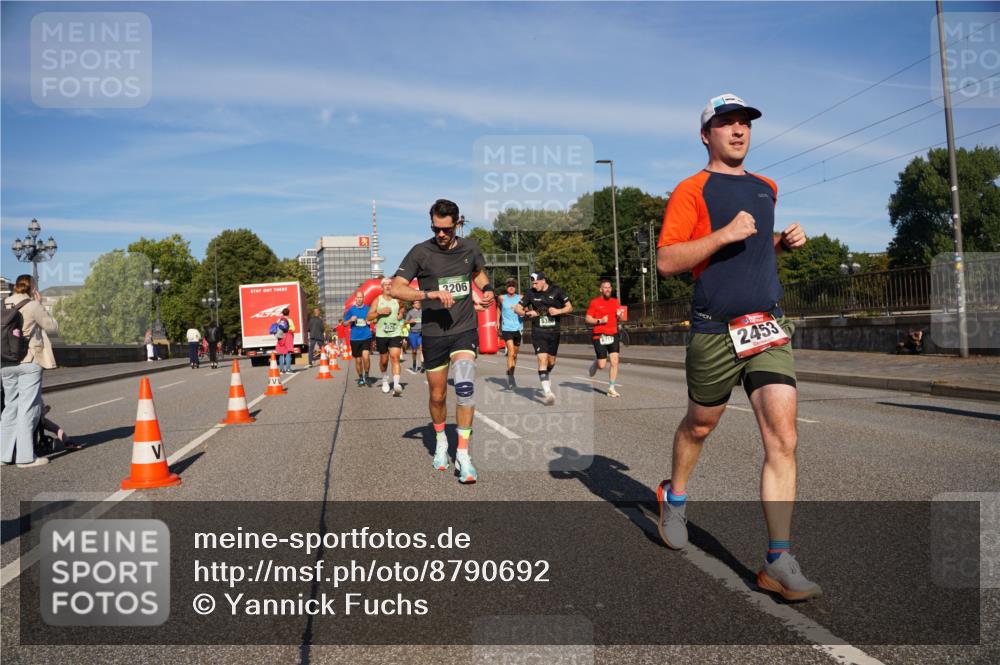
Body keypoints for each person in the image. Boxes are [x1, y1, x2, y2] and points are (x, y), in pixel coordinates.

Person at [655, 93, 815, 601]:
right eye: (726, 124)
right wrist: (723, 233)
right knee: (701, 424)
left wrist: (778, 244)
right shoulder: (691, 189)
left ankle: (778, 560)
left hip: (765, 327)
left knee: (782, 439)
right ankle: (674, 496)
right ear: (707, 135)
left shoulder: (767, 188)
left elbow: (753, 253)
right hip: (713, 330)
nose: (738, 131)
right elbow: (667, 261)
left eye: (744, 123)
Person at [389, 198, 494, 483]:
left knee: (464, 383)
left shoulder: (470, 247)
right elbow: (397, 288)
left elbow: (478, 273)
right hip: (434, 333)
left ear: (457, 224)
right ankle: (440, 441)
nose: (441, 235)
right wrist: (429, 295)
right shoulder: (420, 252)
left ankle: (463, 454)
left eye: (446, 229)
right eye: (436, 229)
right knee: (437, 396)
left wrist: (486, 289)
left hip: (463, 328)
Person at [2, 274, 58, 467]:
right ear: (32, 287)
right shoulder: (33, 305)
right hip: (28, 360)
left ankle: (3, 454)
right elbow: (52, 328)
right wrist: (39, 303)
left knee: (10, 408)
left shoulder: (3, 304)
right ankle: (26, 457)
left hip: (5, 363)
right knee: (28, 409)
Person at [516, 271, 572, 406]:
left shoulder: (557, 290)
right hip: (538, 331)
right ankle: (548, 393)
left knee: (551, 361)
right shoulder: (530, 293)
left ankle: (546, 374)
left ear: (543, 280)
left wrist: (558, 311)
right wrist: (527, 313)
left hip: (554, 331)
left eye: (536, 283)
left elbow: (569, 307)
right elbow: (517, 308)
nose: (534, 285)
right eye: (533, 283)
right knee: (542, 359)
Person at [585, 279, 623, 397]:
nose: (608, 289)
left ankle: (611, 388)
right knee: (602, 365)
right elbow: (587, 319)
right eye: (605, 287)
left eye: (609, 287)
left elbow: (620, 319)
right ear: (601, 290)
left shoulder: (615, 302)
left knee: (615, 361)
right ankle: (597, 362)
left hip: (613, 334)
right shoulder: (595, 302)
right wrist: (600, 320)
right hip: (599, 335)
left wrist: (620, 316)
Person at [368, 278, 405, 395]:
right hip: (382, 334)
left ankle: (396, 385)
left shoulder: (397, 299)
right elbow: (368, 317)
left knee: (395, 357)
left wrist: (401, 313)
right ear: (382, 287)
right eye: (386, 285)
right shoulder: (377, 300)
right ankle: (385, 379)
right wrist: (379, 312)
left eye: (390, 284)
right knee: (384, 361)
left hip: (395, 333)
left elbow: (403, 307)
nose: (388, 286)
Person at [498, 278, 523, 389]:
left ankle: (511, 372)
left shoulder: (521, 297)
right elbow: (498, 309)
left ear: (515, 287)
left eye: (513, 285)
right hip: (506, 328)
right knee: (511, 351)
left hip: (518, 328)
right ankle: (511, 379)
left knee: (515, 354)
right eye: (509, 285)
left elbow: (525, 309)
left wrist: (523, 312)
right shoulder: (502, 298)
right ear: (506, 287)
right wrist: (496, 320)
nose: (511, 287)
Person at [344, 292, 373, 387]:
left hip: (366, 336)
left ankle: (367, 376)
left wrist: (370, 321)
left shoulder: (368, 308)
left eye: (361, 297)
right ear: (355, 299)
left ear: (363, 298)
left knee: (366, 357)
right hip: (355, 338)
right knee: (358, 360)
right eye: (358, 298)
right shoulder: (351, 310)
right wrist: (350, 320)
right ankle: (360, 377)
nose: (359, 299)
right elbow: (344, 323)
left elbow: (374, 319)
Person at [405, 299, 423, 372]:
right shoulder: (410, 312)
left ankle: (422, 365)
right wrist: (410, 321)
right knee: (414, 351)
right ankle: (414, 364)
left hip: (421, 333)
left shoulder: (422, 311)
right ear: (413, 305)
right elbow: (405, 322)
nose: (418, 304)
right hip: (413, 333)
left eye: (419, 302)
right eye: (416, 303)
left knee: (422, 349)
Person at [274, 307, 295, 374]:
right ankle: (288, 369)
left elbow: (276, 327)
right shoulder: (290, 320)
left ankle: (281, 370)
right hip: (288, 336)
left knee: (281, 353)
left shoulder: (279, 320)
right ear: (288, 313)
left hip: (280, 337)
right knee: (288, 353)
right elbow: (293, 329)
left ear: (282, 313)